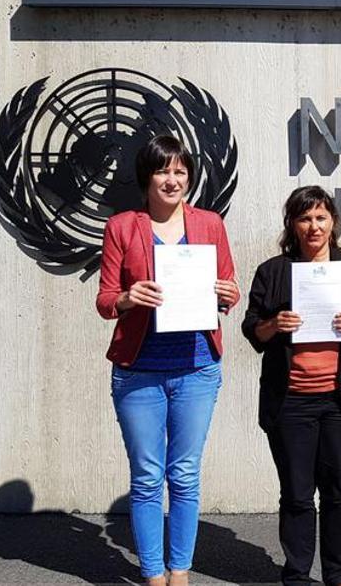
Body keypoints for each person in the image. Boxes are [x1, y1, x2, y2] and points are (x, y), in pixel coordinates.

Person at [95, 134, 240, 586]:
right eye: (163, 170)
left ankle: (180, 572)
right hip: (138, 371)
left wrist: (229, 294)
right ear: (147, 178)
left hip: (197, 366)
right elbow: (103, 301)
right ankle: (153, 574)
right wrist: (126, 297)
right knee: (146, 477)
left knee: (184, 473)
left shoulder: (210, 224)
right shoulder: (122, 227)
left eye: (180, 171)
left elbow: (229, 286)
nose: (172, 179)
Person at [242, 185, 341, 586]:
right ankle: (296, 574)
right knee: (296, 493)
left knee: (338, 491)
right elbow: (251, 327)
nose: (313, 225)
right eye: (305, 217)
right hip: (290, 401)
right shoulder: (273, 271)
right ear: (292, 223)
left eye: (321, 217)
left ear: (333, 223)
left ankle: (338, 574)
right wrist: (274, 325)